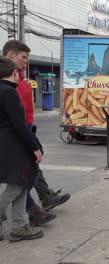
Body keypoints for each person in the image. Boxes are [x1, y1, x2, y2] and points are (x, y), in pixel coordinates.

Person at [2, 40, 70, 225]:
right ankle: (32, 211)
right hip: (14, 136)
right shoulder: (6, 87)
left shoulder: (19, 81)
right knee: (19, 182)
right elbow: (15, 119)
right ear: (11, 55)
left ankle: (28, 214)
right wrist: (31, 143)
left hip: (24, 133)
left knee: (27, 175)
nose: (25, 63)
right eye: (23, 58)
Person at [0, 57, 44, 242]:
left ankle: (18, 226)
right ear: (14, 73)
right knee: (17, 185)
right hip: (14, 145)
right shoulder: (9, 92)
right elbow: (20, 124)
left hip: (7, 145)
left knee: (24, 184)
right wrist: (35, 148)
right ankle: (17, 225)